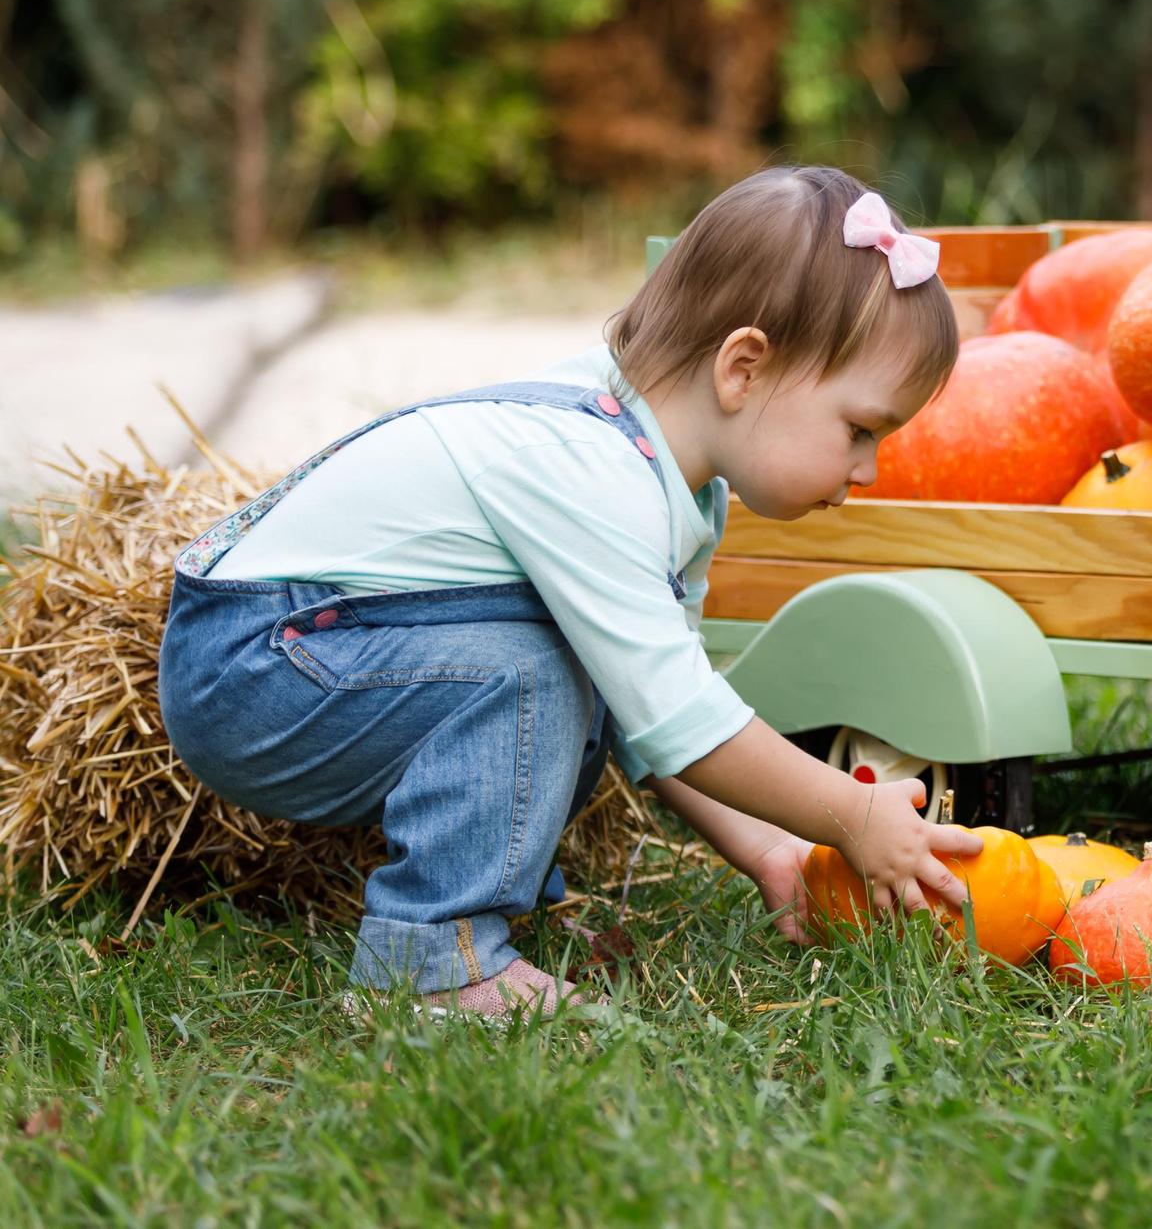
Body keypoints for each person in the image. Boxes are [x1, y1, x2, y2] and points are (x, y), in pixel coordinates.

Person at [159, 166, 983, 1017]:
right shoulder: (591, 468)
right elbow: (687, 724)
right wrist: (847, 815)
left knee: (580, 670)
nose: (868, 468)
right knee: (535, 669)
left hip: (329, 644)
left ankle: (494, 908)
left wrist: (772, 848)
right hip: (254, 661)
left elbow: (658, 714)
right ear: (743, 368)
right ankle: (433, 964)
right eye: (860, 429)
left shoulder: (680, 486)